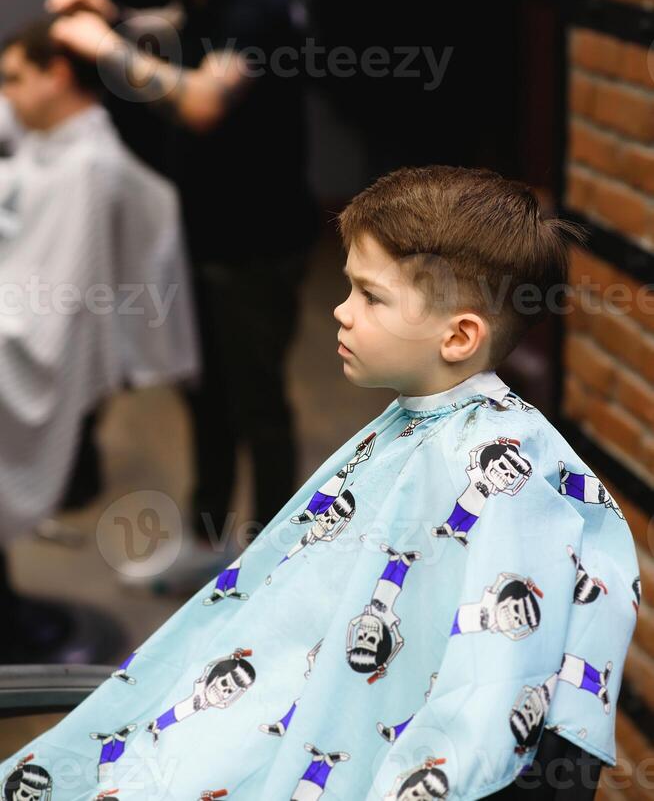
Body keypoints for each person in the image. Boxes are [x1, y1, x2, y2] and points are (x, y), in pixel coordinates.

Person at [0, 166, 638, 798]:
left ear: (459, 336)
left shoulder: (499, 470)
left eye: (370, 296)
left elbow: (488, 690)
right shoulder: (416, 422)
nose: (341, 310)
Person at [45, 0, 319, 590]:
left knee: (258, 404)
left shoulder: (256, 0)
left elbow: (201, 101)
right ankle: (207, 549)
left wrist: (105, 50)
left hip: (258, 242)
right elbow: (177, 33)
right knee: (207, 397)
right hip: (209, 228)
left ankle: (272, 570)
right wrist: (111, 18)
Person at [0, 17, 197, 660]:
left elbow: (48, 307)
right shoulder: (49, 141)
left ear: (57, 76)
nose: (5, 97)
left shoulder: (84, 166)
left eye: (12, 79)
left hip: (30, 339)